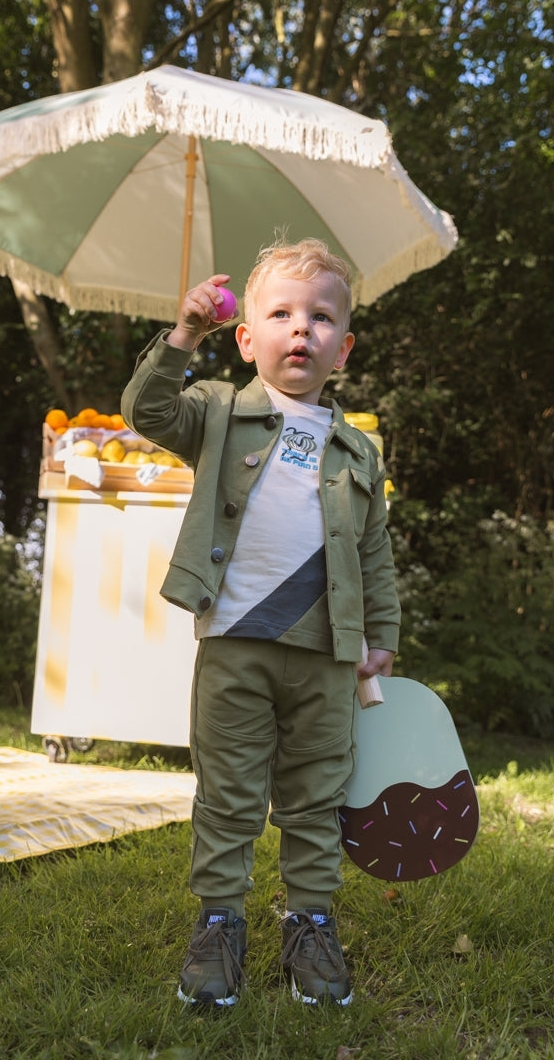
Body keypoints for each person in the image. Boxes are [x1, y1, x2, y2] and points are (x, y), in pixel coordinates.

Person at [121, 238, 400, 1008]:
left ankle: (310, 922)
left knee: (316, 793)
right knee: (230, 792)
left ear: (344, 347)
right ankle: (220, 922)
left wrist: (381, 634)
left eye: (321, 318)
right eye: (281, 314)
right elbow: (145, 411)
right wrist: (184, 335)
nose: (301, 328)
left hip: (325, 653)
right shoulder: (218, 410)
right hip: (235, 645)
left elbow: (374, 549)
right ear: (246, 339)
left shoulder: (359, 450)